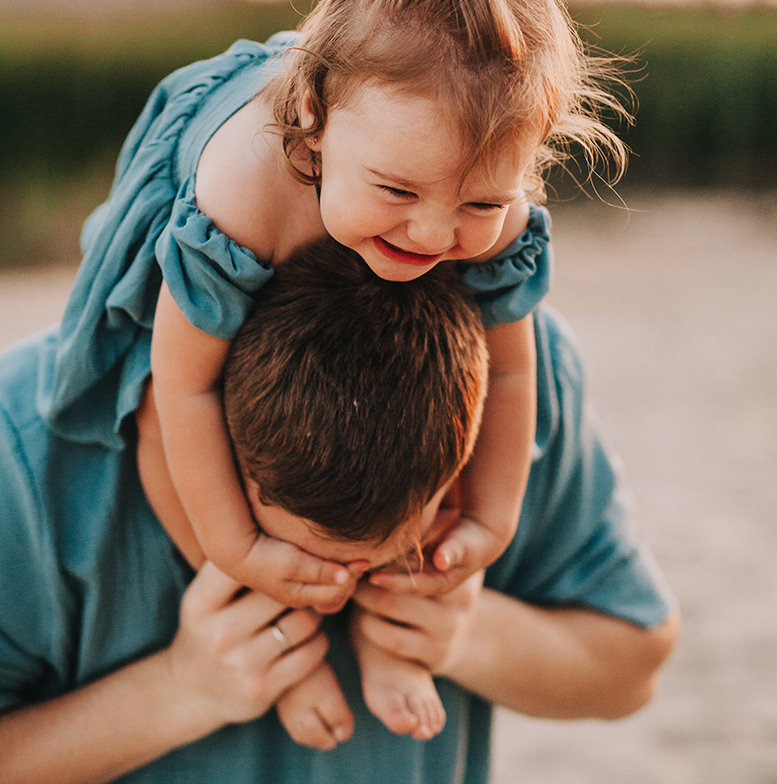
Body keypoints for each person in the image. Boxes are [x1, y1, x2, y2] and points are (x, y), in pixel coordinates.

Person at [45, 0, 630, 739]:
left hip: (373, 149)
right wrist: (242, 552)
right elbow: (186, 394)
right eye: (396, 192)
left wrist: (490, 522)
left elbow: (507, 370)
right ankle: (275, 647)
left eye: (480, 199)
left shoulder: (478, 207)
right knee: (145, 410)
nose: (433, 232)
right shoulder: (241, 200)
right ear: (315, 129)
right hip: (208, 253)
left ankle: (394, 632)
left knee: (430, 418)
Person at [0, 239, 678, 784]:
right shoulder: (20, 447)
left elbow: (635, 672)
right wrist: (179, 692)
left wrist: (469, 636)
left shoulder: (515, 383)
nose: (338, 587)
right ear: (219, 447)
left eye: (382, 561)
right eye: (307, 552)